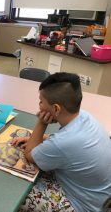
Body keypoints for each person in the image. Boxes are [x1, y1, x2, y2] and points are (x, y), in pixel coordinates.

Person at [11, 72, 111, 212]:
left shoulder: (62, 143)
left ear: (56, 108)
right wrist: (42, 138)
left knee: (15, 193)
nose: (39, 105)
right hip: (99, 196)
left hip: (82, 205)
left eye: (41, 101)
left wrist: (41, 123)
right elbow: (66, 141)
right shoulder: (84, 116)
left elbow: (29, 154)